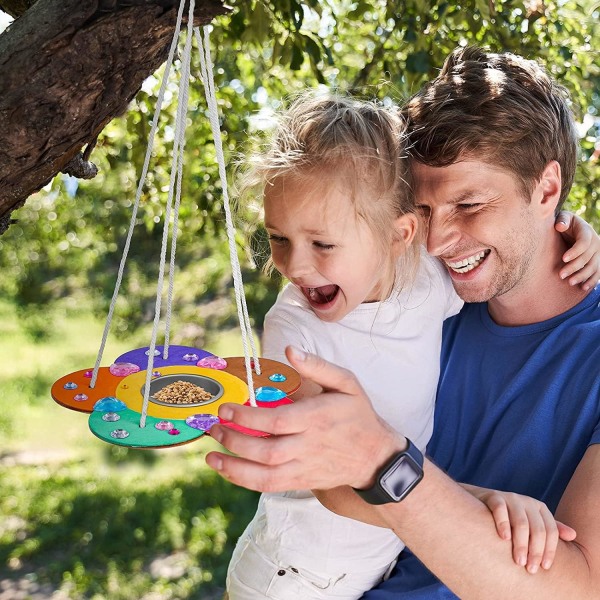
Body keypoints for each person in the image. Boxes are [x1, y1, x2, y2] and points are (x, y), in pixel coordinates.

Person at [207, 46, 600, 599]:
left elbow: (582, 589)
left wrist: (386, 464)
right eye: (423, 211)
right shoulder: (432, 295)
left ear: (547, 189)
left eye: (468, 205)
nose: (438, 241)